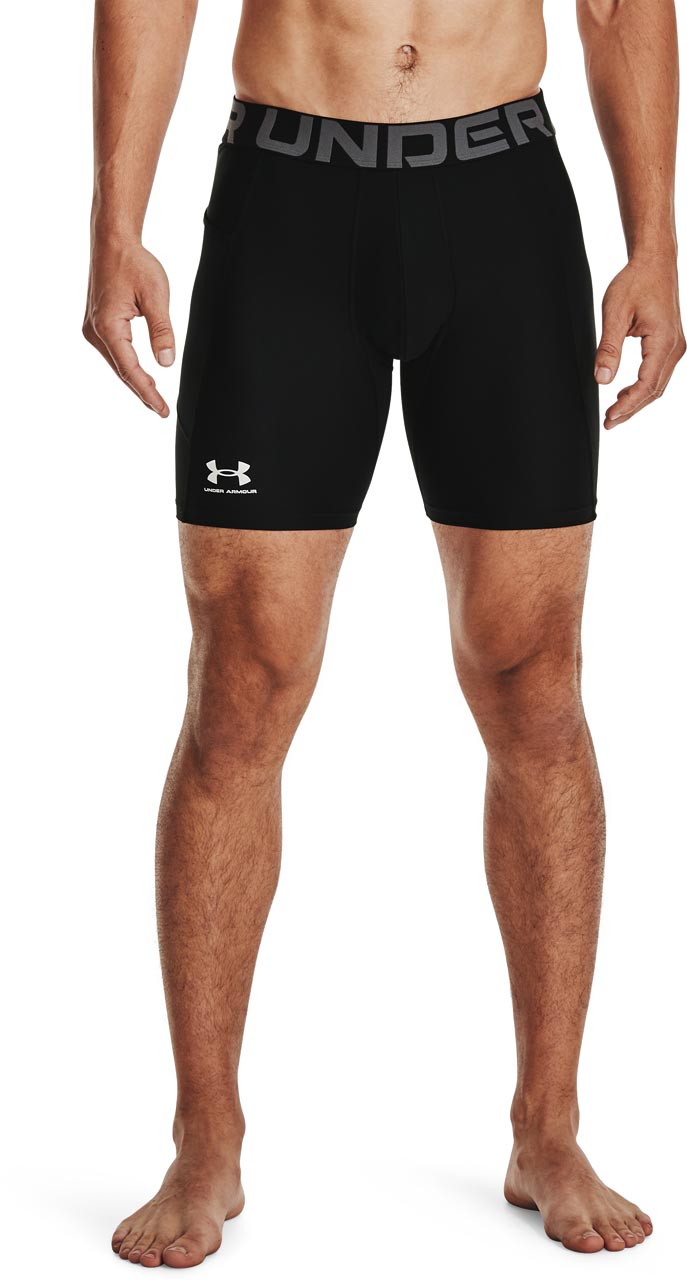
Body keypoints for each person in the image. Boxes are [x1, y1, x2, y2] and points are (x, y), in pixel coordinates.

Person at [83, 0, 684, 1266]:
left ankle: (548, 1126)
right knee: (242, 683)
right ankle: (205, 1136)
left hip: (502, 198)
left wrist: (654, 241)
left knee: (534, 681)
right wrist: (114, 220)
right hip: (287, 200)